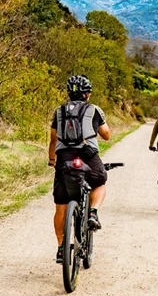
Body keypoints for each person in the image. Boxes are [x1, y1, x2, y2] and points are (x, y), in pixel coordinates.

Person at [48, 75, 112, 264]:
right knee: (99, 183)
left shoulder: (58, 112)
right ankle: (92, 213)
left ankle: (61, 248)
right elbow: (106, 135)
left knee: (61, 205)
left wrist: (52, 160)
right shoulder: (94, 110)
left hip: (64, 157)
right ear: (88, 94)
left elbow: (53, 139)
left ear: (68, 93)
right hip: (88, 154)